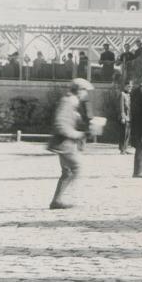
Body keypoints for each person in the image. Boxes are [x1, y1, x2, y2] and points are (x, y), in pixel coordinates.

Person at [47, 78, 93, 209]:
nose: (86, 94)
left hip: (65, 143)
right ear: (79, 90)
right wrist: (78, 134)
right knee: (76, 168)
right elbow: (60, 124)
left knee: (67, 172)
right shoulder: (69, 101)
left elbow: (69, 120)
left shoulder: (71, 101)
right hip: (64, 143)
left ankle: (57, 201)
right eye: (85, 91)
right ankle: (66, 198)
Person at [119, 80, 132, 154]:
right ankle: (122, 149)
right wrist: (123, 117)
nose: (130, 88)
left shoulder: (129, 95)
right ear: (125, 86)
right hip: (125, 117)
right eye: (128, 86)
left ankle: (125, 148)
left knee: (128, 133)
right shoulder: (122, 94)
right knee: (124, 133)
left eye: (131, 86)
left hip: (129, 116)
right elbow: (121, 107)